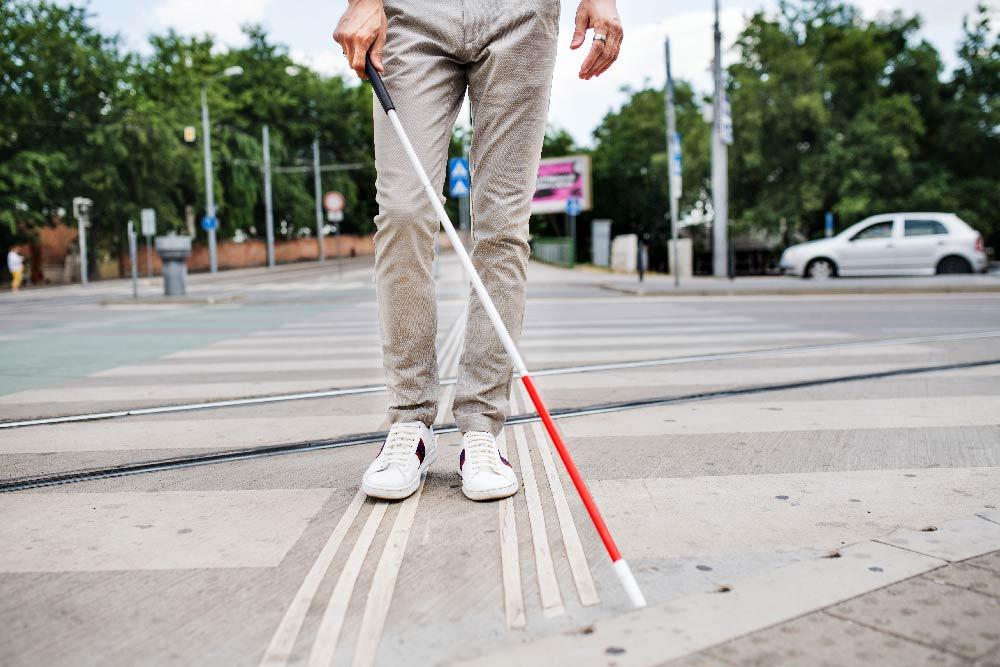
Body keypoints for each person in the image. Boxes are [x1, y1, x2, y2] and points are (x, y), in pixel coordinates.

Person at [334, 0, 623, 501]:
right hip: (413, 13)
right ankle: (410, 423)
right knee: (404, 210)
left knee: (503, 225)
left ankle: (481, 429)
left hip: (521, 15)